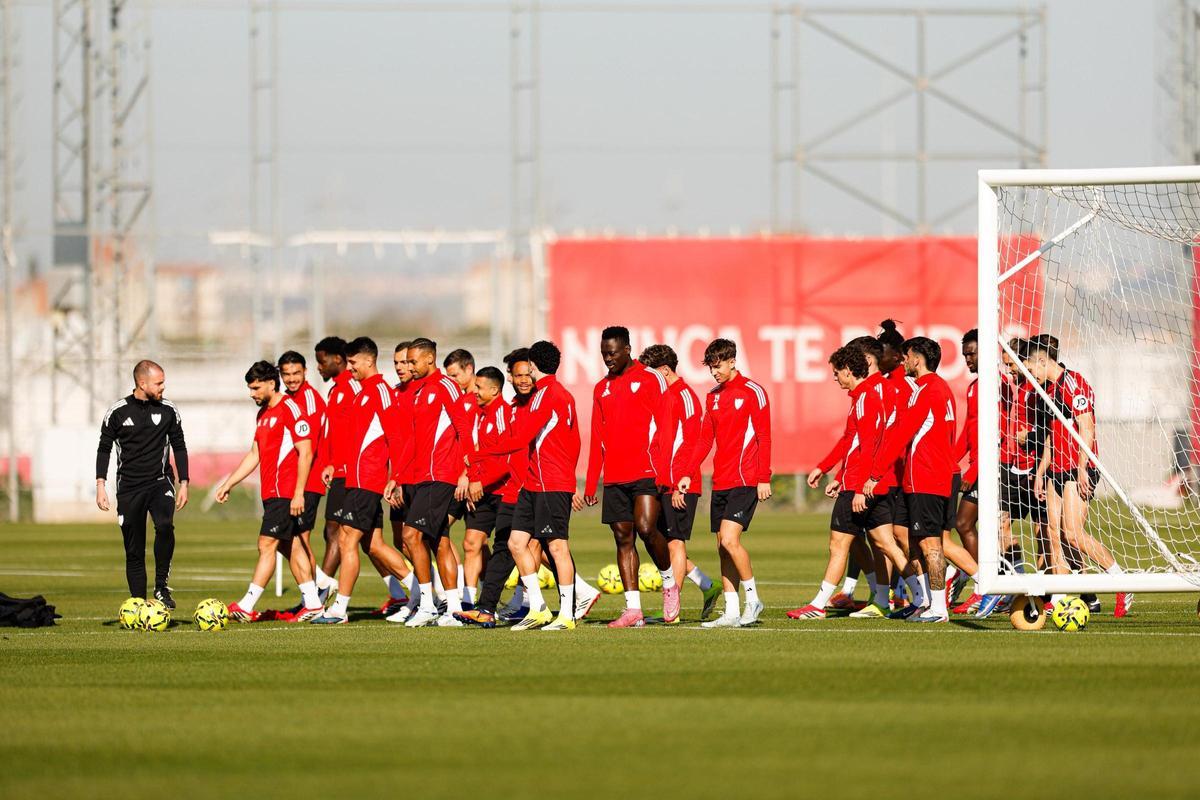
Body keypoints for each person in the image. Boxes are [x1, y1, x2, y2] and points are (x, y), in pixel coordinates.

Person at [471, 340, 583, 631]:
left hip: (550, 483)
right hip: (533, 484)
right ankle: (538, 608)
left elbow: (521, 438)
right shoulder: (545, 394)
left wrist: (479, 453)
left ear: (533, 366)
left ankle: (567, 616)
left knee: (557, 548)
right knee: (516, 542)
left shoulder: (551, 395)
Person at [790, 344, 906, 620]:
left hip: (863, 483)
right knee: (883, 543)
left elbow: (870, 446)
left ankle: (818, 604)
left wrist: (860, 483)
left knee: (840, 544)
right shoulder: (866, 394)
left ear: (849, 369)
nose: (834, 378)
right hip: (866, 480)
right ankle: (920, 597)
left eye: (836, 372)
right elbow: (852, 442)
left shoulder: (870, 395)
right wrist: (830, 470)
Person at [1024, 334, 1132, 617]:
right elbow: (1050, 435)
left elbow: (1086, 426)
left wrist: (1083, 467)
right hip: (1056, 469)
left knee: (1072, 533)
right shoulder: (1045, 391)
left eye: (1030, 366)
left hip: (1076, 469)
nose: (1029, 373)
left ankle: (1122, 580)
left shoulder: (1074, 383)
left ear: (1042, 361)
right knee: (1052, 534)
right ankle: (1059, 597)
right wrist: (1040, 471)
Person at [311, 337, 416, 625]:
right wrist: (337, 464)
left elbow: (395, 437)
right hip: (354, 478)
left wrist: (396, 478)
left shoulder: (381, 391)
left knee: (347, 540)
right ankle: (423, 593)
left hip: (368, 480)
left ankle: (339, 609)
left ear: (369, 360)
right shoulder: (362, 392)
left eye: (354, 362)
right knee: (374, 545)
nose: (351, 367)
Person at [582, 326, 675, 628]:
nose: (607, 358)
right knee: (623, 538)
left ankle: (669, 582)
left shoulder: (651, 378)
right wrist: (592, 480)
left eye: (612, 353)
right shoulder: (601, 388)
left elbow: (666, 425)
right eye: (603, 353)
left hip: (647, 471)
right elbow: (597, 437)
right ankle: (633, 609)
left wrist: (665, 470)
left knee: (647, 528)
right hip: (615, 476)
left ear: (627, 349)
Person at [218, 361, 324, 622]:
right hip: (272, 493)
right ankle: (312, 603)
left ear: (271, 384)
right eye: (250, 388)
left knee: (266, 544)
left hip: (286, 493)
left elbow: (306, 451)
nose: (252, 393)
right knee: (291, 545)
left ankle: (246, 604)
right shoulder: (263, 414)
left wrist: (299, 492)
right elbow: (255, 454)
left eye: (255, 388)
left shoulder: (291, 409)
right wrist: (229, 483)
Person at [678, 338, 772, 628]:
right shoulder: (713, 396)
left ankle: (753, 600)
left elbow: (763, 437)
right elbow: (706, 438)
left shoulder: (754, 391)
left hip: (745, 479)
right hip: (721, 480)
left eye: (717, 366)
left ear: (732, 361)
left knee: (731, 540)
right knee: (722, 546)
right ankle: (731, 610)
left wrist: (763, 477)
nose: (714, 372)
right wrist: (687, 471)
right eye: (710, 368)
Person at [863, 337, 957, 623]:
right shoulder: (939, 388)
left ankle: (939, 609)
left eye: (907, 356)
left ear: (917, 358)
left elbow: (902, 434)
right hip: (922, 478)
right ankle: (927, 602)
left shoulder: (928, 390)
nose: (904, 361)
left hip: (927, 478)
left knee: (931, 545)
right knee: (913, 542)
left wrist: (875, 474)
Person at [387, 338, 476, 627]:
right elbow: (412, 441)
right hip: (421, 476)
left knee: (412, 537)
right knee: (440, 542)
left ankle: (427, 604)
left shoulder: (445, 386)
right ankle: (452, 610)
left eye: (413, 361)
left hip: (442, 476)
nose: (408, 366)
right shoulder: (417, 392)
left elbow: (464, 427)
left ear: (429, 360)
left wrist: (467, 470)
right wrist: (397, 477)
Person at [638, 343, 722, 623]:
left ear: (664, 370)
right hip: (663, 482)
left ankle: (671, 611)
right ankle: (708, 586)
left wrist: (678, 484)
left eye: (651, 374)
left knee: (674, 543)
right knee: (662, 541)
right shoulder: (663, 396)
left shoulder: (684, 395)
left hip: (681, 485)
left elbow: (692, 443)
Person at [96, 360, 189, 608]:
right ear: (142, 383)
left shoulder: (169, 410)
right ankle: (137, 603)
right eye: (159, 383)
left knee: (165, 525)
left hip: (160, 483)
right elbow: (104, 449)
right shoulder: (117, 412)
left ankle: (161, 587)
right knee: (134, 550)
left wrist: (184, 483)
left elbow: (179, 446)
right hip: (129, 488)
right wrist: (100, 485)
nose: (163, 387)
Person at [277, 351, 339, 605]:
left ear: (305, 372)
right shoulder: (288, 399)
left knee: (299, 539)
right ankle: (320, 585)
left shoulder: (309, 402)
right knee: (285, 538)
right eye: (286, 374)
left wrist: (299, 490)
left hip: (309, 480)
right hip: (294, 481)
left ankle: (314, 595)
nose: (291, 379)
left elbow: (308, 450)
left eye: (296, 373)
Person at [312, 336, 360, 594]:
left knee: (335, 531)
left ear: (338, 360)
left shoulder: (353, 388)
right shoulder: (336, 390)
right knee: (371, 543)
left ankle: (322, 590)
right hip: (338, 470)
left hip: (351, 472)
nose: (319, 367)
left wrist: (342, 464)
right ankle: (401, 593)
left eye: (322, 361)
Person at [444, 348, 484, 607]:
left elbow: (479, 442)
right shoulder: (459, 400)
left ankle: (464, 596)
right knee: (475, 542)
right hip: (460, 479)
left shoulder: (477, 401)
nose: (452, 380)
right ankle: (466, 595)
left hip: (472, 480)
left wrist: (468, 475)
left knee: (472, 541)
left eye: (455, 375)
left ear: (469, 369)